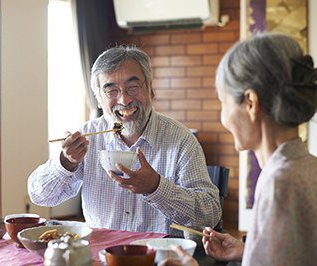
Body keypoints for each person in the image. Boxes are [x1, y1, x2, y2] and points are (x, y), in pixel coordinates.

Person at [158, 33, 317, 265]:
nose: (222, 117)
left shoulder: (279, 183)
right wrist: (251, 250)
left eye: (223, 104)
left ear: (250, 103)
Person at [28, 46, 222, 235]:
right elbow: (39, 196)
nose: (124, 100)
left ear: (151, 90)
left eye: (133, 87)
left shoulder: (180, 139)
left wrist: (157, 187)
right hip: (102, 255)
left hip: (159, 257)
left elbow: (210, 214)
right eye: (111, 91)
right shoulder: (87, 136)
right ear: (98, 100)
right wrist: (66, 162)